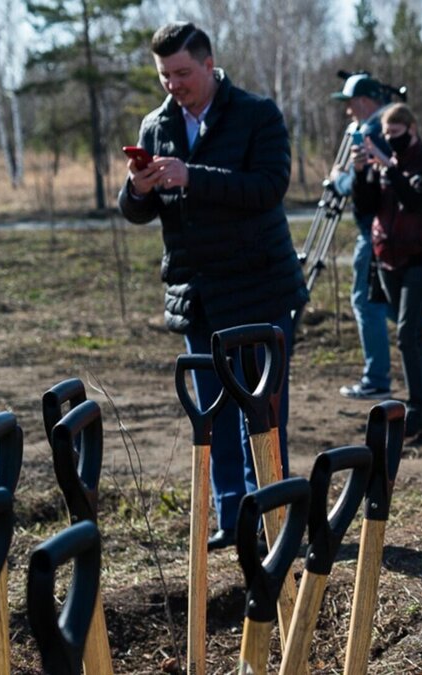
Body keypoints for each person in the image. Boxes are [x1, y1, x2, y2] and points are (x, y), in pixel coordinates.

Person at [118, 22, 307, 549]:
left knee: (263, 415)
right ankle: (231, 520)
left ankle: (270, 518)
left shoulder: (256, 114)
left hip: (258, 291)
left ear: (208, 63)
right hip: (196, 297)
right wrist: (137, 189)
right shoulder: (157, 125)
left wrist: (193, 176)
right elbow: (136, 210)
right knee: (213, 417)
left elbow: (270, 188)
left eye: (181, 72)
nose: (173, 84)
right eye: (164, 76)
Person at [329, 73, 422, 400]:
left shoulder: (375, 135)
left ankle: (383, 379)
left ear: (362, 101)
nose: (348, 112)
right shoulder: (376, 134)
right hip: (383, 239)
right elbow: (369, 198)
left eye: (349, 104)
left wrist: (339, 179)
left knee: (374, 308)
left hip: (404, 247)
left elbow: (414, 198)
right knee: (396, 313)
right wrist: (360, 174)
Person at [353, 103, 422, 436]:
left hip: (418, 257)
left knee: (408, 333)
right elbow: (365, 207)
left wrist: (389, 170)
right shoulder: (381, 168)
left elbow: (414, 201)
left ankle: (419, 406)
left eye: (396, 133)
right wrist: (362, 174)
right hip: (387, 257)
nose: (390, 139)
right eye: (386, 134)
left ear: (412, 129)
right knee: (417, 334)